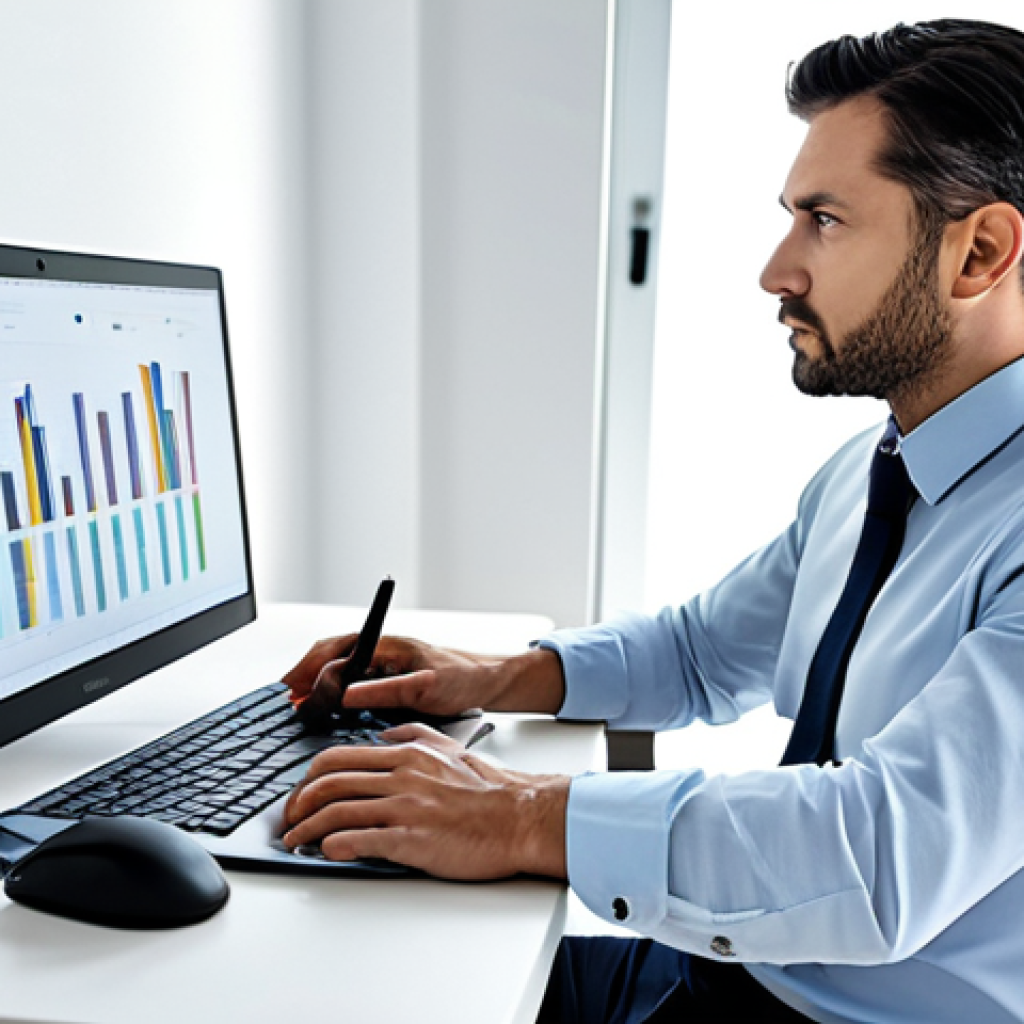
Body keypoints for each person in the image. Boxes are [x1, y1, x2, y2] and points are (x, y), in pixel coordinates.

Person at [281, 19, 1024, 1023]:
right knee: (351, 980)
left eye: (824, 220)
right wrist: (490, 674)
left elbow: (879, 849)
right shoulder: (872, 468)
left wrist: (520, 815)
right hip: (723, 975)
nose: (777, 269)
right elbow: (700, 650)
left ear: (978, 251)